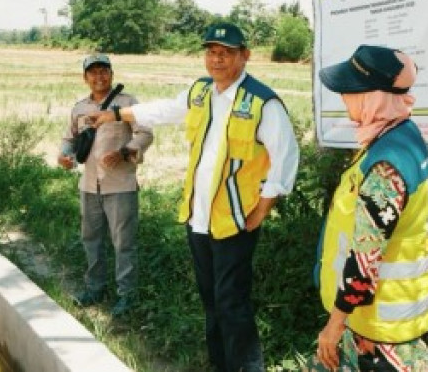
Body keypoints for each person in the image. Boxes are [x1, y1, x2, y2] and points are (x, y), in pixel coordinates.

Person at [92, 22, 300, 372]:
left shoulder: (263, 102)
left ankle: (247, 368)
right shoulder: (200, 91)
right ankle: (221, 365)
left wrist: (260, 212)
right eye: (212, 52)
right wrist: (115, 114)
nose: (217, 59)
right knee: (211, 301)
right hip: (199, 217)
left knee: (232, 303)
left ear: (245, 56)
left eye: (226, 52)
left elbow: (286, 159)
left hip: (235, 219)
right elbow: (163, 111)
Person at [310, 44, 428, 372]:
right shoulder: (400, 135)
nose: (343, 98)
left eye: (350, 91)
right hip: (377, 324)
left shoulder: (387, 165)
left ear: (374, 97)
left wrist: (334, 326)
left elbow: (364, 262)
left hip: (383, 337)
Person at [59, 53, 154, 318]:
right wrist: (64, 155)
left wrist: (124, 152)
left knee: (124, 243)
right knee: (91, 240)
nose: (99, 77)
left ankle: (127, 297)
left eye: (104, 72)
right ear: (85, 77)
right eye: (93, 72)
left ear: (112, 75)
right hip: (88, 186)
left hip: (120, 185)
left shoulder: (127, 104)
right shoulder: (79, 108)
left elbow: (145, 134)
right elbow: (69, 138)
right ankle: (95, 288)